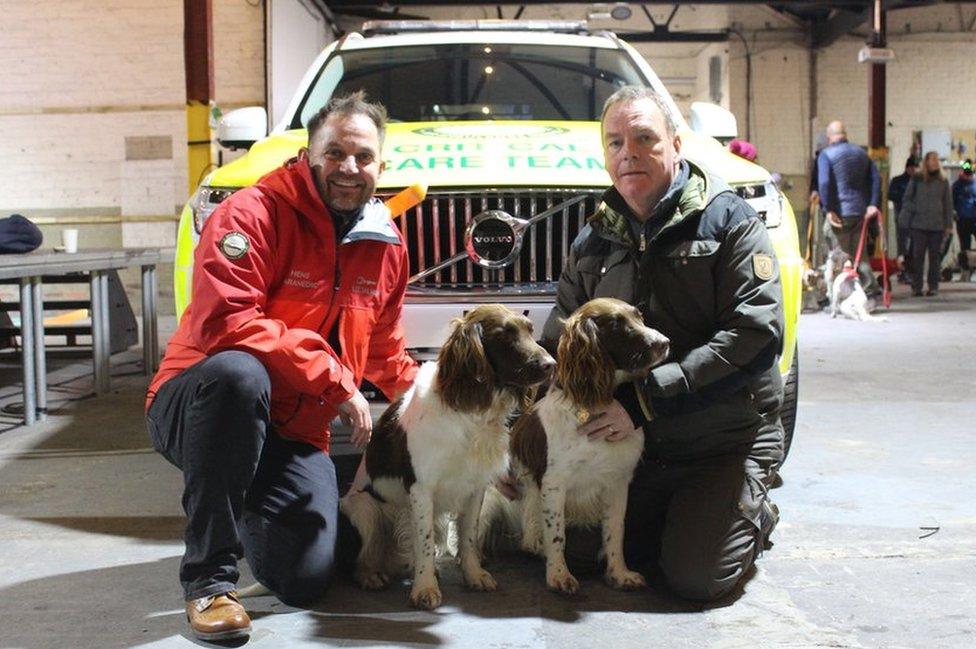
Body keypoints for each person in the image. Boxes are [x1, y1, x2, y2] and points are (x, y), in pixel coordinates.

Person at [144, 92, 418, 641]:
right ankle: (209, 581)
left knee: (306, 578)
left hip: (293, 431)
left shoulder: (385, 246)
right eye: (334, 153)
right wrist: (333, 377)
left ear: (380, 167)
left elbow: (388, 353)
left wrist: (461, 409)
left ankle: (243, 494)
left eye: (363, 157)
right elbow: (228, 324)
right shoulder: (250, 214)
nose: (348, 168)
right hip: (199, 401)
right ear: (307, 155)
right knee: (240, 376)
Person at [540, 86, 785, 602]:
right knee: (576, 556)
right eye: (614, 142)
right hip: (633, 451)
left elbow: (755, 336)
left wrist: (645, 399)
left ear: (676, 143)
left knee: (696, 579)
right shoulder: (593, 239)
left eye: (644, 138)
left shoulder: (729, 222)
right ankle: (675, 524)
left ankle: (750, 505)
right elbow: (557, 341)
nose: (627, 151)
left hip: (719, 440)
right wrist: (523, 444)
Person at [817, 120, 883, 301]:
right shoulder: (862, 153)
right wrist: (872, 204)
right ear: (845, 135)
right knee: (860, 255)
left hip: (839, 213)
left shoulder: (826, 155)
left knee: (839, 256)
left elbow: (823, 183)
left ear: (829, 137)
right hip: (860, 212)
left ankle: (842, 296)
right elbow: (876, 180)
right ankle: (870, 292)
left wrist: (828, 209)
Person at [900, 151, 953, 296]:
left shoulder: (943, 180)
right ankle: (917, 287)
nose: (935, 162)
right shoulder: (917, 178)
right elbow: (907, 198)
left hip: (937, 225)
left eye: (937, 159)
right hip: (919, 225)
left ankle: (933, 286)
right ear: (926, 162)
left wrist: (949, 225)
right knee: (918, 257)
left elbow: (948, 204)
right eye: (932, 159)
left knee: (935, 257)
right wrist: (915, 210)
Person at [890, 156, 919, 282]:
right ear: (907, 168)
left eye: (916, 168)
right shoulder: (898, 181)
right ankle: (903, 271)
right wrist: (905, 198)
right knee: (903, 247)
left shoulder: (920, 182)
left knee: (914, 247)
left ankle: (911, 272)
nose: (914, 170)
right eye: (912, 167)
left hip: (917, 219)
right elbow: (890, 195)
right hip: (902, 218)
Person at [952, 158, 976, 276]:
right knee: (964, 248)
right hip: (962, 220)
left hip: (974, 219)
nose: (968, 177)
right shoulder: (956, 186)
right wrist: (954, 214)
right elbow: (951, 203)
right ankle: (965, 271)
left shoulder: (975, 184)